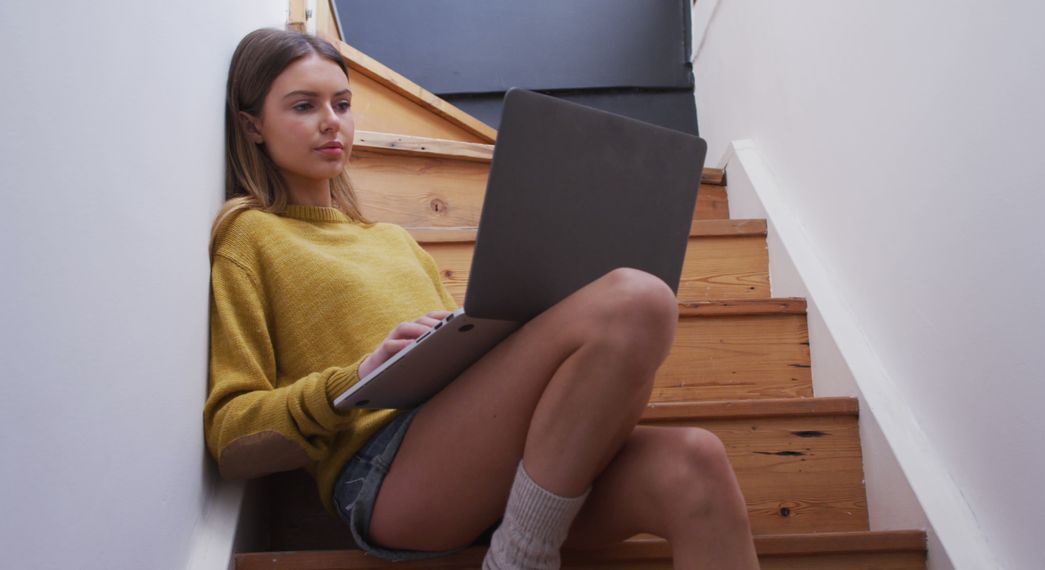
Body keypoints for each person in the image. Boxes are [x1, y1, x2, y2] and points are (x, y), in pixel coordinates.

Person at [204, 28, 760, 570]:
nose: (332, 122)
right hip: (388, 470)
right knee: (637, 298)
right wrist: (356, 377)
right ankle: (522, 556)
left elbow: (465, 375)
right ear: (253, 126)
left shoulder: (392, 240)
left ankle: (524, 537)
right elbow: (231, 438)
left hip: (498, 465)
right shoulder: (250, 236)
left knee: (695, 461)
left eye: (343, 104)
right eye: (304, 106)